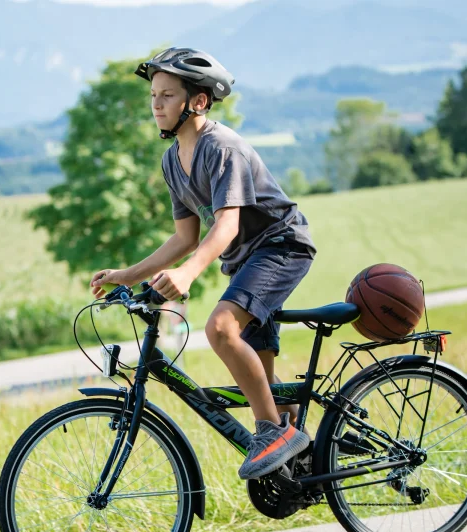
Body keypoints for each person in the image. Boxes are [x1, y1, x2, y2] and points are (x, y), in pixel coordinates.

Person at [90, 47, 317, 480]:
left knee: (220, 328)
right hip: (245, 262)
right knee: (265, 386)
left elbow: (227, 225)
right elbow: (184, 237)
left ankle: (273, 434)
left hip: (279, 247)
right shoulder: (172, 160)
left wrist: (189, 273)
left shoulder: (222, 147)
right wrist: (126, 274)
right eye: (153, 94)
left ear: (197, 101)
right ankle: (305, 458)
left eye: (167, 95)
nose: (156, 103)